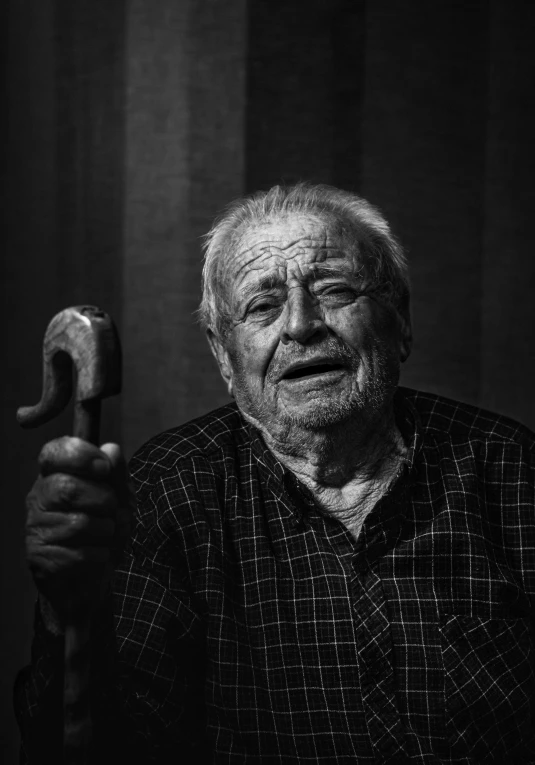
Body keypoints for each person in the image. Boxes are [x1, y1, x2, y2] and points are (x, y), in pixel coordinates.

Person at [15, 183, 535, 763]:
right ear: (223, 355)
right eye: (262, 306)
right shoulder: (168, 493)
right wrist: (69, 610)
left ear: (400, 320)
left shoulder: (511, 471)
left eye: (334, 290)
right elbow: (86, 748)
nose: (301, 325)